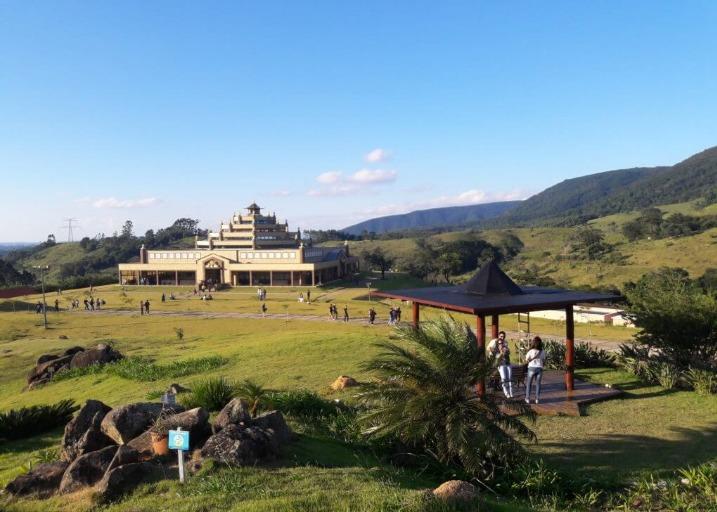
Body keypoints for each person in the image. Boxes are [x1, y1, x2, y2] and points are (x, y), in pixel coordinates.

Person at [490, 331, 513, 399]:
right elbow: (490, 349)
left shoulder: (506, 344)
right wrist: (498, 353)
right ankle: (506, 393)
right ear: (498, 336)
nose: (502, 338)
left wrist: (506, 351)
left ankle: (511, 392)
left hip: (507, 363)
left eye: (503, 336)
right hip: (501, 365)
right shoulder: (495, 344)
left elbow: (508, 352)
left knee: (510, 379)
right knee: (504, 379)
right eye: (501, 336)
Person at [525, 336, 545, 404]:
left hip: (531, 368)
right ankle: (537, 399)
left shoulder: (531, 351)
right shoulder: (542, 351)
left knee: (529, 384)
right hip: (539, 368)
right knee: (538, 384)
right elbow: (543, 360)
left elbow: (527, 359)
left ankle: (527, 398)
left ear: (533, 343)